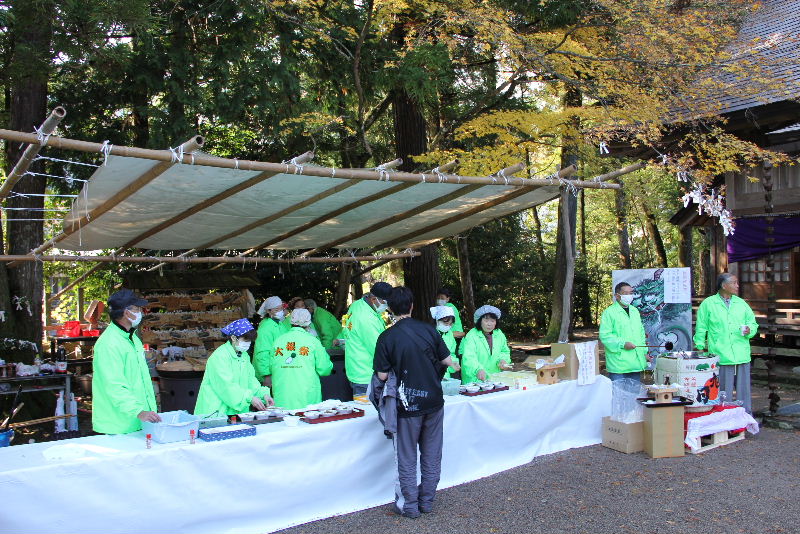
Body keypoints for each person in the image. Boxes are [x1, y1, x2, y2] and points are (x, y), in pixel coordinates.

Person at [373, 286, 460, 518]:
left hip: (406, 405)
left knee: (407, 456)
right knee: (432, 454)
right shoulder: (430, 331)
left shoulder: (386, 337)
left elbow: (381, 376)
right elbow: (447, 360)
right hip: (433, 401)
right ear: (412, 306)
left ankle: (409, 505)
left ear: (389, 309)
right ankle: (427, 502)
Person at [92, 289, 160, 434]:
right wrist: (139, 411)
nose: (141, 312)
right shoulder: (109, 344)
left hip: (137, 422)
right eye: (137, 309)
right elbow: (113, 385)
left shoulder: (132, 338)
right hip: (117, 426)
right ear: (126, 312)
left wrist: (145, 412)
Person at [694, 273, 758, 412]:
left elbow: (752, 323)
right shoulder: (709, 303)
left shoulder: (741, 303)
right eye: (734, 283)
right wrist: (700, 346)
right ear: (724, 285)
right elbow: (701, 327)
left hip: (741, 353)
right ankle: (723, 419)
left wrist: (750, 330)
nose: (737, 286)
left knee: (744, 391)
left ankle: (745, 418)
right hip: (720, 353)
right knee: (723, 391)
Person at [194, 319, 274, 417]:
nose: (248, 344)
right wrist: (249, 398)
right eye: (245, 340)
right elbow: (226, 386)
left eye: (250, 341)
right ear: (233, 338)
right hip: (216, 411)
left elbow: (250, 380)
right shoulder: (220, 356)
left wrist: (263, 394)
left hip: (235, 413)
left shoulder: (244, 356)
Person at [266, 308, 333, 409]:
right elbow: (325, 369)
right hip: (307, 399)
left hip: (282, 399)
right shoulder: (313, 341)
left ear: (291, 322)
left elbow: (271, 367)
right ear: (308, 324)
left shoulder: (278, 341)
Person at [340, 282, 393, 396]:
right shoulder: (366, 319)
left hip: (356, 369)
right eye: (385, 303)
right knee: (370, 412)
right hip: (366, 375)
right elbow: (378, 350)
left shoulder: (357, 304)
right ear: (374, 299)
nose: (387, 307)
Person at [599, 282, 648, 382]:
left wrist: (644, 352)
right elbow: (605, 336)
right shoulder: (609, 312)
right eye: (626, 293)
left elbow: (641, 334)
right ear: (617, 296)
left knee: (634, 394)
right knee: (619, 394)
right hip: (619, 364)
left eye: (631, 293)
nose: (629, 296)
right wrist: (623, 344)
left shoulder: (634, 311)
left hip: (635, 362)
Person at [459, 305, 511, 384]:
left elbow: (504, 351)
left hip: (494, 378)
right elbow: (469, 357)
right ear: (479, 321)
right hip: (474, 380)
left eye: (492, 321)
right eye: (486, 320)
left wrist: (503, 360)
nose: (489, 324)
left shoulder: (499, 334)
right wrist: (477, 370)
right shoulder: (471, 335)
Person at [253, 296, 291, 383]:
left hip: (278, 370)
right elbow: (262, 352)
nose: (280, 312)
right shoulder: (265, 328)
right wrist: (267, 375)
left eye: (281, 309)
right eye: (276, 310)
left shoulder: (279, 324)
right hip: (268, 373)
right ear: (268, 311)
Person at [430, 305, 459, 377]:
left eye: (450, 324)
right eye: (446, 323)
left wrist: (454, 363)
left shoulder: (449, 334)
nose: (448, 326)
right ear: (437, 320)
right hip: (432, 374)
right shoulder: (430, 334)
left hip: (446, 375)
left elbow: (451, 354)